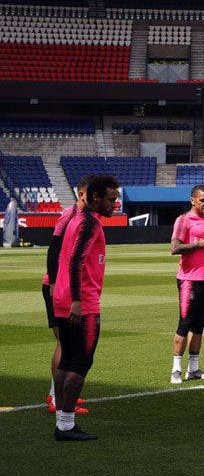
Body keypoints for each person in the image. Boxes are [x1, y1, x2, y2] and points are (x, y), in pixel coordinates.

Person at [51, 175, 120, 440]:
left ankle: (61, 421)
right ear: (95, 198)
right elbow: (76, 261)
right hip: (82, 302)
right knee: (80, 363)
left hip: (62, 297)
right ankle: (66, 426)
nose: (115, 204)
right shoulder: (90, 223)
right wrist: (78, 301)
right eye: (111, 199)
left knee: (66, 361)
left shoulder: (76, 218)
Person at [42, 175, 92, 414]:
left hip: (66, 287)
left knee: (69, 344)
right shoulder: (68, 216)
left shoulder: (85, 219)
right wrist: (53, 282)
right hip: (58, 287)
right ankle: (55, 397)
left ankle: (60, 394)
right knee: (64, 343)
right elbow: (53, 249)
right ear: (82, 194)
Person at [169, 184, 204, 384]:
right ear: (193, 200)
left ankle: (194, 369)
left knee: (199, 325)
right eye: (203, 200)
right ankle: (175, 370)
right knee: (185, 324)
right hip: (189, 280)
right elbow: (174, 248)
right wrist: (200, 244)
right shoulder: (184, 220)